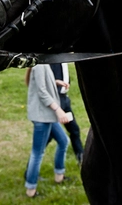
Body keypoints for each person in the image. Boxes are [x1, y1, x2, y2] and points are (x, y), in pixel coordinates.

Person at [24, 64, 72, 198]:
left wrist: (56, 82)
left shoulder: (43, 62)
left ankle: (59, 176)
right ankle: (31, 190)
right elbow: (42, 92)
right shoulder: (39, 64)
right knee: (37, 153)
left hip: (47, 115)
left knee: (63, 141)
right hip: (42, 116)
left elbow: (43, 82)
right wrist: (58, 110)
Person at [46, 63, 84, 164]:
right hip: (55, 100)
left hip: (64, 99)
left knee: (74, 130)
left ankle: (81, 157)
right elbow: (44, 81)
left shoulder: (65, 59)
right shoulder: (54, 60)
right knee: (48, 136)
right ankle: (30, 173)